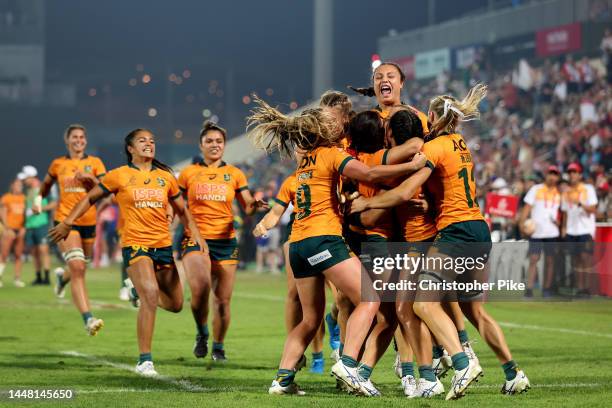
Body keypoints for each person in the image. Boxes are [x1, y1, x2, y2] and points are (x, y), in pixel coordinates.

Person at [350, 84, 530, 399]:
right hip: (479, 228)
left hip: (454, 232)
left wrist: (367, 203)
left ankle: (461, 363)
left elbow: (406, 191)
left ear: (432, 116)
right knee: (475, 312)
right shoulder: (462, 143)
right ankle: (513, 373)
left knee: (421, 304)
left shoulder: (434, 149)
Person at [247, 96, 426, 396]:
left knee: (310, 318)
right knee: (370, 301)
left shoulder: (301, 167)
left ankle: (282, 380)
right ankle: (347, 364)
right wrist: (413, 166)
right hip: (323, 239)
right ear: (321, 133)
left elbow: (284, 209)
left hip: (298, 246)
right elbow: (368, 173)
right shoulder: (329, 154)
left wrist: (263, 224)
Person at [50, 128, 205, 376]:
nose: (149, 144)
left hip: (163, 246)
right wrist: (68, 221)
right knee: (151, 295)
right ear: (130, 149)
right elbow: (90, 198)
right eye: (142, 141)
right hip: (135, 244)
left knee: (176, 304)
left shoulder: (166, 177)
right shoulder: (119, 176)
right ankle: (145, 360)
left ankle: (135, 290)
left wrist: (195, 233)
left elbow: (181, 209)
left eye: (152, 141)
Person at [178, 121, 267, 362]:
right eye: (209, 141)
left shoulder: (235, 174)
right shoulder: (188, 173)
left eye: (219, 141)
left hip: (226, 242)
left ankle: (218, 346)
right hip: (197, 239)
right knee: (199, 289)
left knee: (223, 301)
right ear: (201, 145)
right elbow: (176, 203)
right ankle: (202, 332)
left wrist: (254, 206)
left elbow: (247, 205)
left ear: (224, 145)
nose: (214, 145)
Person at [35, 124, 107, 334]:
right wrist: (38, 201)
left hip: (89, 223)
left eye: (82, 137)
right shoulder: (58, 164)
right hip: (65, 221)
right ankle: (88, 319)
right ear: (67, 141)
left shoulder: (95, 163)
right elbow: (45, 186)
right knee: (78, 268)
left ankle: (61, 278)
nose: (78, 140)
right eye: (74, 137)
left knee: (80, 265)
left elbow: (105, 190)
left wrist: (91, 180)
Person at [519, 166, 561, 298]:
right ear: (546, 175)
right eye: (550, 173)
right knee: (533, 259)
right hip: (536, 231)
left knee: (550, 260)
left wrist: (560, 223)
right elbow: (527, 208)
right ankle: (529, 288)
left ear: (558, 177)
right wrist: (521, 225)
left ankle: (547, 288)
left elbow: (563, 213)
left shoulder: (559, 193)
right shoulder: (536, 189)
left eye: (555, 174)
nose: (552, 176)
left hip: (552, 232)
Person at [561, 163, 598, 296]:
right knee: (575, 259)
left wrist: (580, 203)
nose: (572, 174)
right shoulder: (566, 192)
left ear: (580, 174)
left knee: (585, 258)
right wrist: (564, 229)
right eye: (570, 172)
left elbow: (593, 209)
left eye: (575, 172)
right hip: (571, 230)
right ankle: (579, 288)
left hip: (585, 229)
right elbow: (565, 212)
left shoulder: (588, 189)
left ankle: (587, 288)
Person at [21, 165, 56, 287]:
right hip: (30, 225)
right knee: (34, 252)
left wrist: (39, 208)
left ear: (32, 177)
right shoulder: (28, 191)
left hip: (42, 224)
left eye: (26, 178)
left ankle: (46, 277)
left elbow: (53, 204)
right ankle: (38, 277)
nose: (24, 181)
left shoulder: (44, 188)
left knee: (43, 250)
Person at [0, 178, 26, 288]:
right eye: (17, 185)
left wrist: (24, 228)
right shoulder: (6, 198)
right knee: (4, 254)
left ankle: (17, 279)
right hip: (9, 229)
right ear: (12, 186)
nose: (19, 187)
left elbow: (26, 215)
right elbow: (2, 213)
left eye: (20, 185)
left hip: (20, 229)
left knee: (18, 255)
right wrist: (7, 228)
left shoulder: (24, 198)